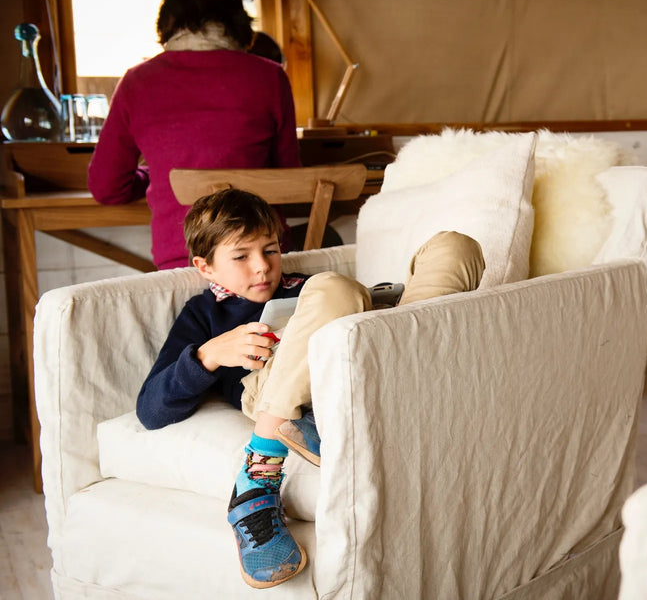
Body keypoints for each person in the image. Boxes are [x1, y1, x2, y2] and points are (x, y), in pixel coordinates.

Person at [136, 188, 484, 588]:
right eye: (241, 257)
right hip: (274, 385)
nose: (262, 267)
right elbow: (151, 410)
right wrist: (209, 354)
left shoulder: (305, 285)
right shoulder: (205, 314)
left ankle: (390, 351)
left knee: (457, 246)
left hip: (372, 362)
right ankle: (256, 480)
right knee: (334, 288)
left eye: (270, 250)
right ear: (206, 267)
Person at [88, 0, 301, 270]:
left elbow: (107, 188)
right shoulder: (270, 77)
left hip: (181, 266)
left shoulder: (137, 82)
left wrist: (156, 175)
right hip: (260, 265)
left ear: (168, 20)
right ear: (237, 19)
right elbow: (289, 179)